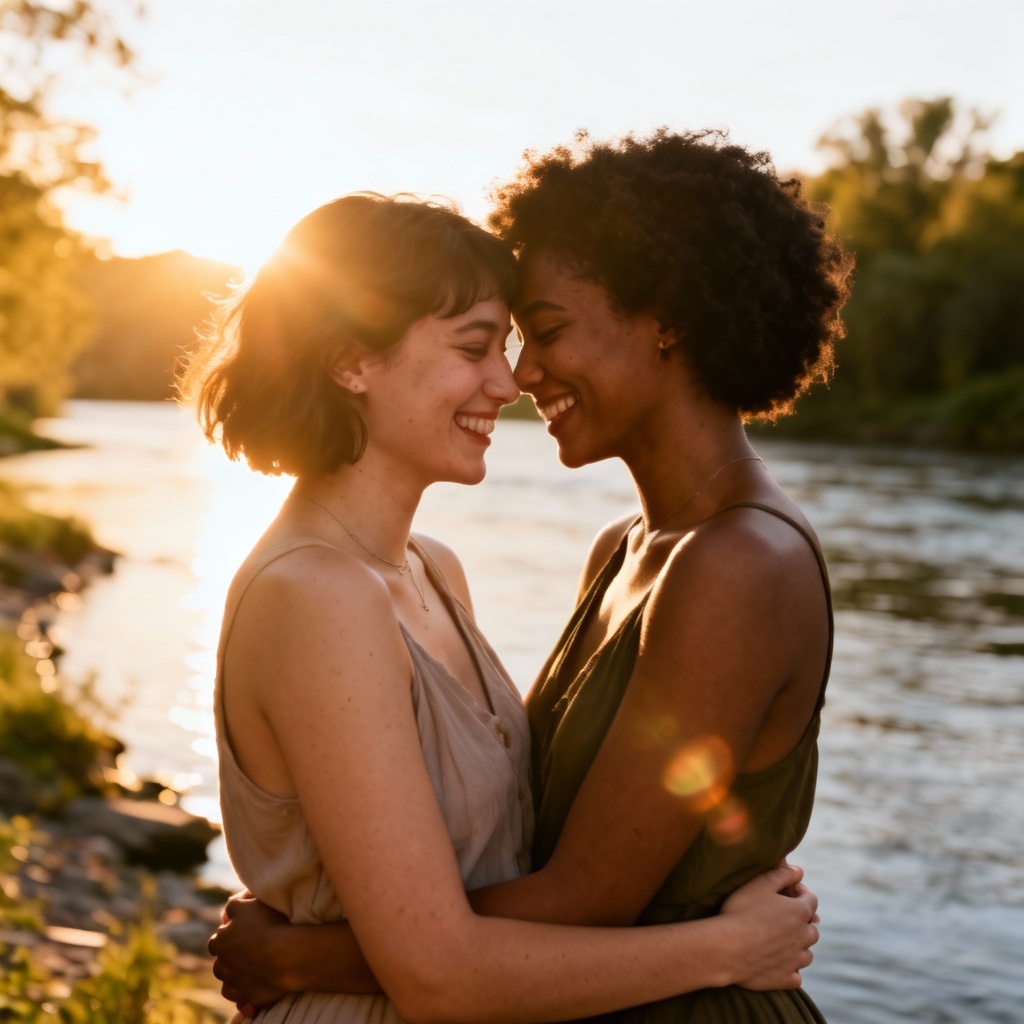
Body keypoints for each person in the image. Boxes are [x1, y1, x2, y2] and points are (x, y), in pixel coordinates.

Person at [184, 189, 822, 1024]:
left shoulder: (436, 573)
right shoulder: (317, 597)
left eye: (527, 338)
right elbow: (441, 965)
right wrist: (729, 949)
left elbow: (509, 872)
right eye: (476, 346)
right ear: (351, 361)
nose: (512, 379)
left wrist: (301, 950)